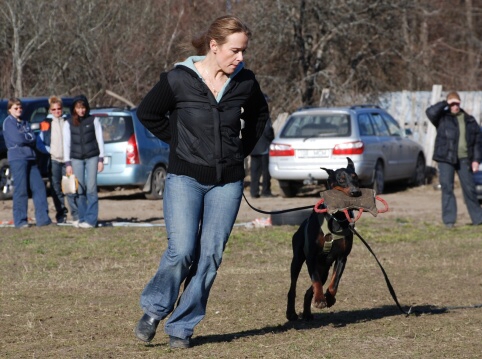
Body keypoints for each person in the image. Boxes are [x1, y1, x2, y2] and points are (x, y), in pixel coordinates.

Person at [134, 15, 269, 349]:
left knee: (209, 256)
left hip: (228, 183)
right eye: (235, 50)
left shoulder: (245, 82)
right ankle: (155, 308)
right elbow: (147, 113)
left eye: (244, 51)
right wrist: (178, 143)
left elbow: (260, 117)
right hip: (184, 179)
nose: (241, 58)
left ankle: (181, 327)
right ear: (214, 45)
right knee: (181, 251)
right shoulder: (179, 79)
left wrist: (239, 152)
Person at [426, 91, 482, 228]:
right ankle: (449, 221)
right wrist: (445, 103)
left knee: (469, 188)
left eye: (457, 103)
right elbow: (430, 112)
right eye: (452, 104)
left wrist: (476, 160)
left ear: (460, 103)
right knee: (447, 188)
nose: (455, 106)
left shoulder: (469, 120)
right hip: (446, 158)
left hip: (464, 159)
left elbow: (478, 142)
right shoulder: (442, 118)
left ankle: (478, 219)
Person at [2, 98, 52, 228]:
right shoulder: (8, 123)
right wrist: (27, 137)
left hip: (30, 157)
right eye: (15, 108)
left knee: (39, 187)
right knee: (21, 189)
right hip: (18, 159)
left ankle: (43, 219)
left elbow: (33, 138)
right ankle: (20, 221)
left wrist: (27, 137)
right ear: (10, 110)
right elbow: (18, 139)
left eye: (20, 108)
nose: (19, 110)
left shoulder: (24, 122)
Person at [63, 95, 104, 228]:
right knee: (79, 189)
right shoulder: (68, 123)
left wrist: (101, 159)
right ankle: (82, 217)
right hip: (76, 158)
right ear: (74, 109)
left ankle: (91, 220)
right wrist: (68, 163)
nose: (81, 111)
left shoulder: (93, 120)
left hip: (92, 156)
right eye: (78, 108)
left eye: (83, 107)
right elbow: (66, 144)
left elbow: (100, 140)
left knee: (91, 188)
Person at [36, 96, 71, 224]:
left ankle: (77, 213)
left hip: (68, 161)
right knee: (56, 189)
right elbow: (39, 143)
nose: (57, 111)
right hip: (54, 160)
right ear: (50, 110)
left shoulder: (68, 121)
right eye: (54, 109)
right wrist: (50, 151)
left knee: (70, 188)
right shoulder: (46, 123)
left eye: (59, 109)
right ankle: (61, 214)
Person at [250, 116, 274, 198]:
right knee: (266, 171)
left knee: (254, 172)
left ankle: (254, 191)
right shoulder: (265, 117)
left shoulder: (250, 117)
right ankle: (266, 191)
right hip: (264, 148)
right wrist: (272, 138)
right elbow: (268, 131)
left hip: (253, 148)